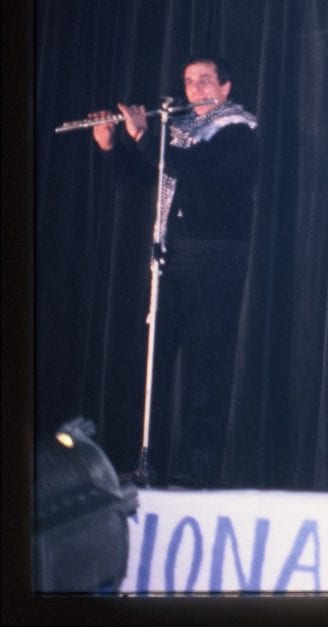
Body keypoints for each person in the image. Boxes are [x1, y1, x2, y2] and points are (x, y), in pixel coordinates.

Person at [90, 53, 259, 488]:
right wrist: (111, 146)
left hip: (215, 258)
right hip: (173, 256)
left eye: (205, 80)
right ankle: (148, 464)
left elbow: (196, 170)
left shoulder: (239, 130)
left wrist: (146, 135)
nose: (196, 89)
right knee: (153, 364)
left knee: (205, 370)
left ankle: (193, 474)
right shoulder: (179, 133)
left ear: (226, 87)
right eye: (189, 82)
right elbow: (145, 178)